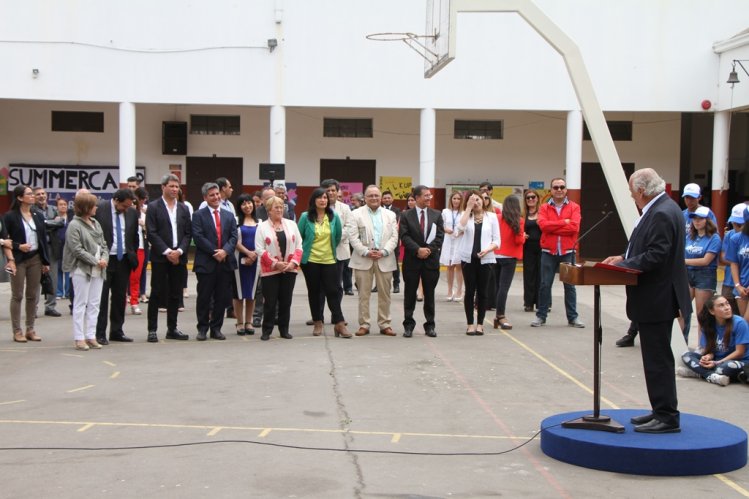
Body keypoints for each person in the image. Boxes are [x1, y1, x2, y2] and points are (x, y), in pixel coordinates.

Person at [602, 168, 690, 434]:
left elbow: (656, 255)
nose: (631, 197)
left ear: (641, 190)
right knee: (654, 358)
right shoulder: (661, 207)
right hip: (655, 296)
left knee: (658, 359)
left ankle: (667, 416)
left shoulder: (662, 212)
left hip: (658, 297)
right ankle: (660, 410)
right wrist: (623, 257)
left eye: (632, 192)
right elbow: (646, 247)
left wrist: (624, 266)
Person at [531, 177, 584, 328]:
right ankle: (541, 316)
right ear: (551, 190)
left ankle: (573, 317)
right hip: (548, 251)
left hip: (568, 251)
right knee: (544, 285)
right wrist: (563, 222)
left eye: (562, 187)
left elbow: (574, 227)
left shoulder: (574, 207)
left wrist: (554, 225)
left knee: (570, 286)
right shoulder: (544, 208)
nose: (559, 190)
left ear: (566, 189)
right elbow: (543, 226)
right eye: (556, 187)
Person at [298, 188, 351, 338]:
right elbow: (299, 236)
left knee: (333, 291)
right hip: (311, 261)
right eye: (320, 198)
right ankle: (317, 322)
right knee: (314, 292)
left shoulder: (333, 217)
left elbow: (338, 235)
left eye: (325, 198)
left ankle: (339, 324)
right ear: (313, 200)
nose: (323, 200)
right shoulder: (305, 217)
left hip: (329, 260)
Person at [145, 174, 192, 343]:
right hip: (160, 257)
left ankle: (172, 328)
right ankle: (152, 329)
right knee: (157, 292)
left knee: (175, 293)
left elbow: (188, 233)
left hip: (179, 257)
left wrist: (179, 251)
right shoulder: (153, 207)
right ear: (163, 187)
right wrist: (167, 251)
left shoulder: (184, 208)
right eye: (171, 186)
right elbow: (151, 232)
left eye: (176, 186)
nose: (174, 189)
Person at [348, 185, 399, 337]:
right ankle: (364, 324)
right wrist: (365, 251)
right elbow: (353, 236)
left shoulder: (390, 215)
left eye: (377, 195)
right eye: (370, 195)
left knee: (385, 295)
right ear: (365, 198)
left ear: (381, 197)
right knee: (364, 295)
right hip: (363, 258)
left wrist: (384, 251)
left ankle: (385, 324)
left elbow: (394, 237)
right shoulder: (355, 214)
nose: (374, 198)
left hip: (385, 258)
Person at [4, 185, 51, 343]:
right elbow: (5, 240)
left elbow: (43, 239)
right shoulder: (10, 216)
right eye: (29, 194)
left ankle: (30, 329)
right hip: (18, 259)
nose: (33, 196)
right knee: (17, 295)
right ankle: (17, 331)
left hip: (35, 259)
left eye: (33, 194)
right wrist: (18, 247)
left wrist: (45, 261)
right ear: (19, 198)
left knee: (32, 295)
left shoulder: (37, 214)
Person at [192, 182, 238, 341]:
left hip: (225, 262)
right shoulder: (198, 215)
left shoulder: (229, 215)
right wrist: (215, 252)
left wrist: (225, 251)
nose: (216, 197)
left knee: (222, 297)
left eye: (217, 194)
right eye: (211, 195)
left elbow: (233, 237)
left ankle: (216, 328)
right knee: (204, 297)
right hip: (206, 262)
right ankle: (202, 328)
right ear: (205, 197)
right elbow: (198, 237)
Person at [62, 191, 108, 351]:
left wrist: (104, 259)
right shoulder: (74, 225)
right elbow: (77, 250)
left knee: (95, 304)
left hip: (99, 269)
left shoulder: (96, 223)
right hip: (82, 269)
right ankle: (79, 338)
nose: (96, 207)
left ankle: (91, 335)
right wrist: (96, 261)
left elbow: (103, 244)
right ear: (86, 207)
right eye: (93, 205)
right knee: (81, 303)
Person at [94, 189, 139, 345]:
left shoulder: (132, 213)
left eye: (129, 207)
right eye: (124, 207)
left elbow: (134, 236)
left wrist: (132, 251)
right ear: (116, 200)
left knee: (120, 298)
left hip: (124, 260)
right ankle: (99, 333)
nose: (126, 210)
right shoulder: (100, 209)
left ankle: (117, 330)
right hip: (105, 260)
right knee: (102, 297)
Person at [254, 195, 303, 341]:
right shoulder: (262, 227)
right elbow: (259, 249)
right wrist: (275, 263)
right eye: (276, 207)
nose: (280, 210)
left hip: (289, 269)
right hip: (270, 271)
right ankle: (267, 330)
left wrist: (293, 262)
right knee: (270, 301)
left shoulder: (291, 224)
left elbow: (299, 245)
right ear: (269, 210)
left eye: (281, 207)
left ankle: (284, 329)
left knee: (286, 301)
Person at [399, 185, 444, 338]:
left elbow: (439, 236)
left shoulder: (437, 215)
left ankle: (430, 325)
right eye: (426, 195)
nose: (429, 198)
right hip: (412, 260)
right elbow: (404, 236)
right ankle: (408, 325)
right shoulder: (406, 215)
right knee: (410, 294)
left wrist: (428, 250)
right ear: (417, 197)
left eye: (430, 195)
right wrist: (418, 250)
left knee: (429, 294)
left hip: (430, 261)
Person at [677, 294, 749, 386]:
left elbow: (740, 352)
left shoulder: (739, 322)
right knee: (686, 355)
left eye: (727, 304)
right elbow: (710, 350)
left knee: (725, 367)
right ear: (712, 311)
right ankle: (710, 375)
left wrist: (717, 362)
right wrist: (708, 357)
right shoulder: (708, 325)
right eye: (721, 305)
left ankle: (698, 373)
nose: (727, 308)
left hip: (739, 361)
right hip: (716, 361)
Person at [456, 190, 499, 335]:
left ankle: (480, 323)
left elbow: (497, 240)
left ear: (484, 201)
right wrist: (467, 208)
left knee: (483, 292)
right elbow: (459, 229)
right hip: (468, 259)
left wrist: (487, 250)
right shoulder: (466, 216)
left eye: (479, 199)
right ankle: (470, 324)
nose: (477, 202)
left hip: (485, 259)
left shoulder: (492, 217)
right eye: (473, 200)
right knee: (469, 291)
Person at [681, 206, 721, 343]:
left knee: (701, 315)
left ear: (707, 220)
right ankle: (681, 343)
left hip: (705, 276)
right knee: (681, 310)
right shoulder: (689, 236)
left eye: (700, 219)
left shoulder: (714, 238)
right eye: (694, 219)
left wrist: (683, 261)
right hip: (688, 273)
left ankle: (702, 345)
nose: (697, 222)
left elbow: (706, 261)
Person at [493, 194, 525, 330]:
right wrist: (524, 237)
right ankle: (500, 315)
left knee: (496, 287)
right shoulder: (519, 220)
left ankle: (496, 316)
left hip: (495, 255)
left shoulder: (497, 218)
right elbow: (518, 240)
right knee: (504, 287)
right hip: (509, 257)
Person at [32, 187, 62, 317]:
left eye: (43, 193)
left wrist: (44, 224)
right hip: (38, 248)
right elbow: (37, 225)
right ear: (34, 197)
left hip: (52, 247)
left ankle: (50, 307)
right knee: (35, 278)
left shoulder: (53, 209)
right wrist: (50, 223)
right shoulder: (31, 210)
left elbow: (60, 223)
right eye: (38, 194)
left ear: (47, 195)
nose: (41, 196)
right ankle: (33, 308)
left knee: (53, 278)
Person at [232, 193, 260, 335]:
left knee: (251, 293)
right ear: (239, 207)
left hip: (256, 261)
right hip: (239, 260)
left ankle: (249, 322)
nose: (247, 206)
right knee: (239, 293)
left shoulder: (260, 222)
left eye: (249, 203)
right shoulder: (236, 221)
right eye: (243, 204)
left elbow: (263, 241)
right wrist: (248, 253)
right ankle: (239, 322)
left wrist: (254, 254)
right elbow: (234, 241)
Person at [440, 191, 464, 302]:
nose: (456, 201)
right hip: (448, 240)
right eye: (454, 198)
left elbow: (466, 227)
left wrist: (461, 232)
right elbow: (440, 225)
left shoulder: (464, 213)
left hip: (459, 241)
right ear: (451, 199)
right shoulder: (445, 211)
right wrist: (445, 229)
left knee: (458, 266)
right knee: (449, 266)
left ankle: (459, 290)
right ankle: (449, 290)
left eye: (458, 199)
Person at [727, 207, 749, 322]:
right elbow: (734, 263)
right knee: (744, 322)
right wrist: (737, 285)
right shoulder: (736, 239)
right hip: (742, 286)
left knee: (746, 320)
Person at [128, 187, 148, 315]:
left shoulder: (145, 214)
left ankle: (134, 302)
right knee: (123, 277)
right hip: (127, 248)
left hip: (140, 247)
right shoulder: (127, 213)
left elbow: (149, 230)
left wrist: (143, 224)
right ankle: (123, 300)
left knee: (136, 277)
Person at [522, 189, 542, 312]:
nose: (530, 199)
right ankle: (528, 303)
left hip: (542, 247)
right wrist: (522, 234)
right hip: (528, 247)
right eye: (528, 198)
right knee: (529, 275)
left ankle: (542, 302)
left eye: (533, 197)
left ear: (537, 198)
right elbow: (518, 227)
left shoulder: (543, 212)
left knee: (542, 275)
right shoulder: (523, 214)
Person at [381, 190, 402, 294]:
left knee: (394, 263)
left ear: (392, 199)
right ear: (382, 200)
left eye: (388, 198)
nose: (387, 199)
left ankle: (396, 284)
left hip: (394, 240)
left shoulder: (397, 211)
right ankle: (378, 285)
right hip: (380, 240)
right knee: (378, 263)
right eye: (385, 198)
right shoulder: (378, 210)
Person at [53, 198, 72, 300]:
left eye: (65, 204)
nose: (63, 206)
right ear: (57, 207)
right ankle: (59, 292)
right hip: (58, 246)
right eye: (61, 204)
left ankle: (68, 292)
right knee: (58, 269)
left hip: (69, 247)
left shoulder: (71, 218)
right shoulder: (54, 218)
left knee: (68, 269)